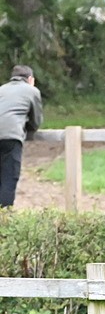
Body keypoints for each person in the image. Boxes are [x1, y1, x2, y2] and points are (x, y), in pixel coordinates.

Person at [0, 65, 43, 209]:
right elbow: (36, 120)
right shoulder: (32, 91)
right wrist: (29, 131)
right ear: (30, 79)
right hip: (11, 137)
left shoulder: (2, 89)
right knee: (8, 178)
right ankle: (4, 218)